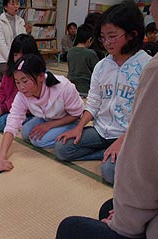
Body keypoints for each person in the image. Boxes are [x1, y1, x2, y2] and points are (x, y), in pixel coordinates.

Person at [56, 1, 158, 238]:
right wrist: (79, 127)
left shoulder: (146, 66)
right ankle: (104, 151)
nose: (107, 43)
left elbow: (143, 123)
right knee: (62, 147)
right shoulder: (102, 65)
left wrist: (122, 141)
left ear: (132, 35)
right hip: (101, 130)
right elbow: (92, 101)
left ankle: (110, 154)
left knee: (110, 171)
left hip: (127, 135)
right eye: (103, 37)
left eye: (113, 36)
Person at [0, 54, 83, 164]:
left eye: (25, 81)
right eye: (17, 82)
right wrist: (2, 157)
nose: (21, 87)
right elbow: (13, 121)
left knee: (39, 141)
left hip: (70, 119)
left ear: (41, 77)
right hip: (48, 118)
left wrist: (49, 125)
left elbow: (76, 114)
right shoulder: (22, 95)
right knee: (26, 132)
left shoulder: (63, 87)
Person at [0, 34, 40, 131]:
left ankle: (29, 120)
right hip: (8, 105)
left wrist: (3, 109)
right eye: (15, 54)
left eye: (22, 55)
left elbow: (24, 99)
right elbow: (2, 91)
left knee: (1, 123)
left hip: (26, 110)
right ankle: (5, 114)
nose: (18, 58)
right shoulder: (10, 70)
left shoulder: (34, 73)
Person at [0, 0, 31, 82]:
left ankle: (2, 74)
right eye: (12, 4)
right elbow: (1, 44)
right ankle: (2, 73)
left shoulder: (21, 21)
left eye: (17, 4)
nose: (16, 6)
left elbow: (23, 42)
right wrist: (11, 60)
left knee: (28, 75)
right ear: (5, 7)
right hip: (3, 58)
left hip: (18, 57)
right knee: (15, 78)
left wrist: (28, 33)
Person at [67, 24, 99, 97]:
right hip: (86, 89)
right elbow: (97, 72)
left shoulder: (70, 51)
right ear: (90, 39)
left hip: (71, 87)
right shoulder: (91, 53)